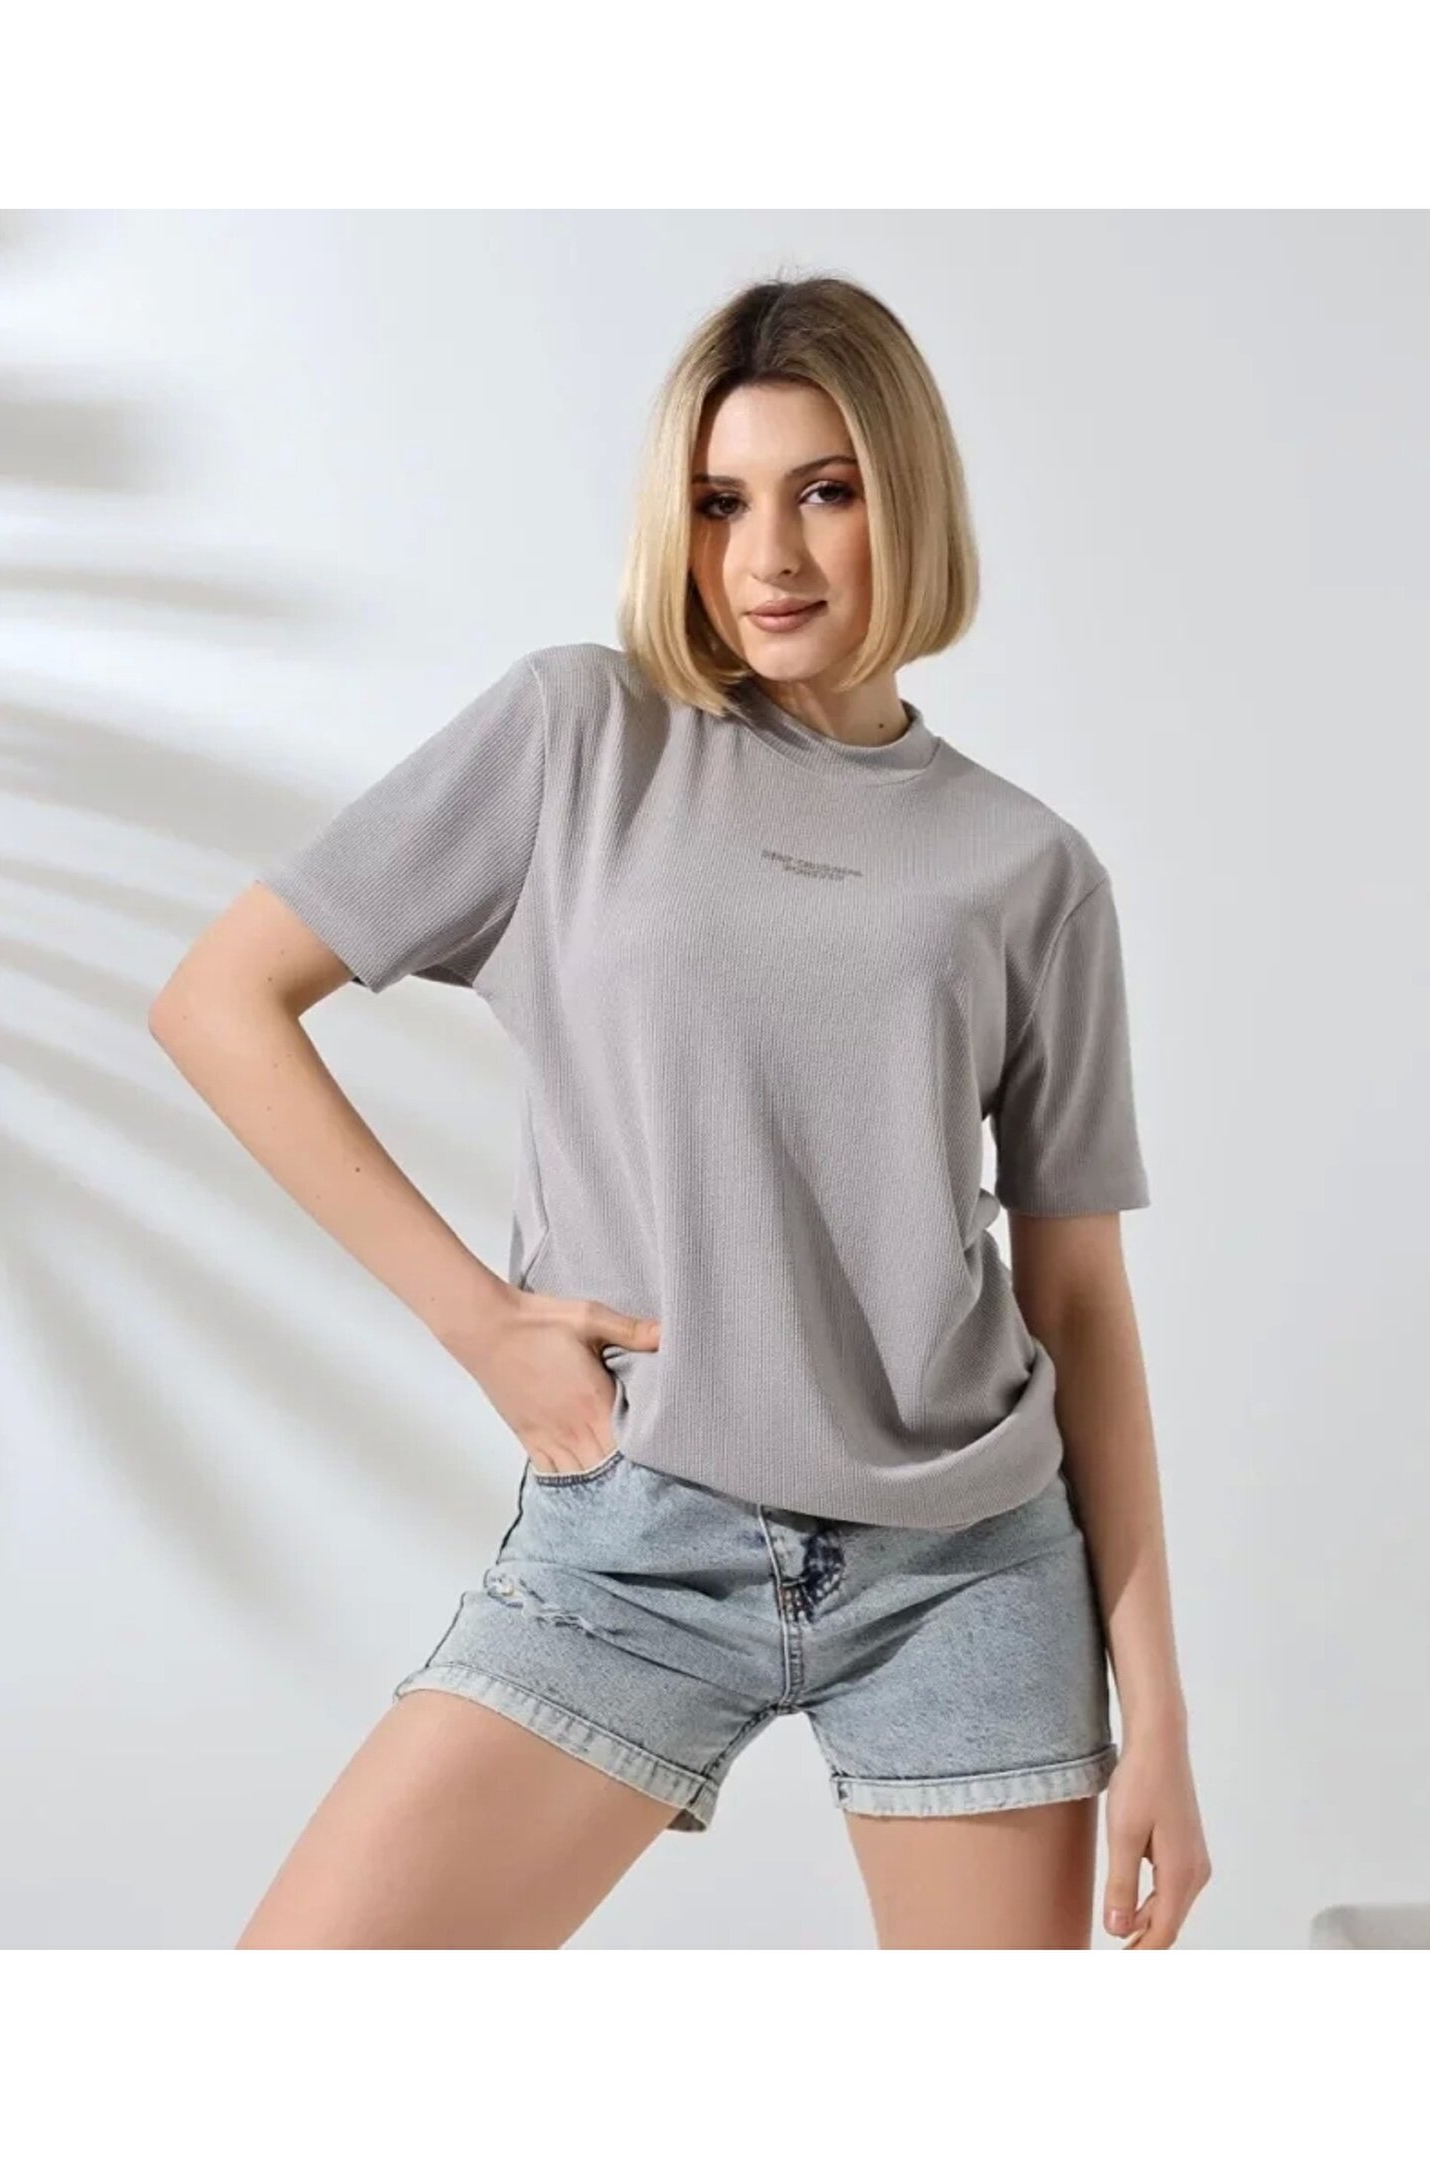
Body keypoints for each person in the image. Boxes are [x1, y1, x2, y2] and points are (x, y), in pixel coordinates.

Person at [150, 272, 1211, 1950]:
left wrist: (1159, 1717)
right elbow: (219, 1002)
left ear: (909, 498)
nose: (769, 556)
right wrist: (480, 1324)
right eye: (720, 503)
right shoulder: (582, 735)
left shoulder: (1032, 870)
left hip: (969, 1568)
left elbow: (1077, 1299)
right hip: (635, 1538)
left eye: (825, 492)